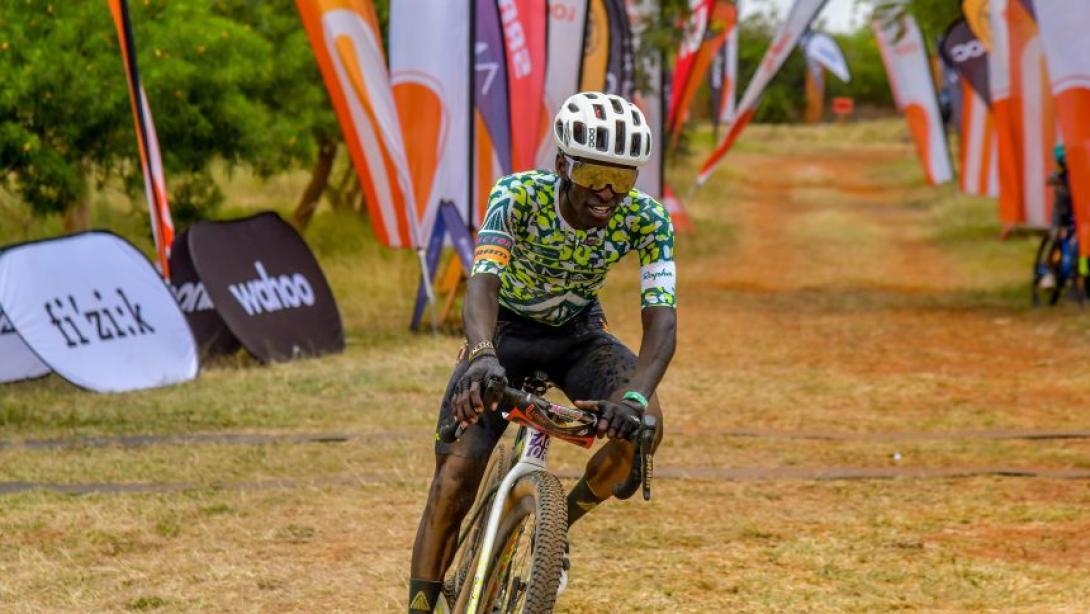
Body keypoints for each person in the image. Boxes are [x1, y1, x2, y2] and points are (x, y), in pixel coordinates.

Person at [407, 91, 678, 612]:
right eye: (595, 173)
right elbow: (483, 284)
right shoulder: (518, 195)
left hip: (578, 335)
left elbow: (662, 320)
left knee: (645, 430)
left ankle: (552, 525)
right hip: (502, 332)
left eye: (622, 177)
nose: (607, 191)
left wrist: (638, 399)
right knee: (454, 479)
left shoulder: (648, 219)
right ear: (561, 164)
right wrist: (482, 354)